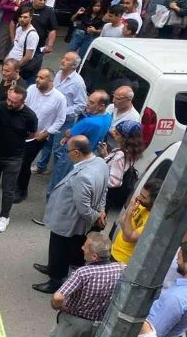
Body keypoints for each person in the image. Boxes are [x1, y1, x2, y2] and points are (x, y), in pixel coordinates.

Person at [35, 232, 123, 337]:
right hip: (96, 324)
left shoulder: (82, 273)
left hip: (72, 322)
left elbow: (58, 296)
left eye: (86, 246)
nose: (82, 248)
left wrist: (59, 306)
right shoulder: (117, 269)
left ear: (95, 256)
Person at [32, 135, 109, 294]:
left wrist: (97, 216)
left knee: (59, 249)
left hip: (68, 220)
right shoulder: (100, 163)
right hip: (74, 219)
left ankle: (55, 280)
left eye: (67, 151)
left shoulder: (83, 176)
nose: (66, 154)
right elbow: (104, 190)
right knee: (63, 250)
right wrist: (101, 211)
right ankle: (53, 267)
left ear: (76, 152)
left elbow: (83, 208)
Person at [0, 85, 37, 232]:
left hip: (14, 157)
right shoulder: (0, 107)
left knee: (8, 189)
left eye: (14, 102)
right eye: (9, 100)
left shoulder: (30, 116)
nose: (9, 103)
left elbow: (32, 134)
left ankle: (4, 217)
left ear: (22, 102)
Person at [42, 82, 105, 203]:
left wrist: (67, 135)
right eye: (88, 99)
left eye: (92, 102)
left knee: (58, 181)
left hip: (71, 154)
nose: (87, 103)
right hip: (84, 157)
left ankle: (49, 208)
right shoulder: (107, 118)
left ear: (101, 106)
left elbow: (69, 133)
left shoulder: (89, 122)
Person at [15, 68, 67, 204]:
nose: (37, 79)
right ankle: (11, 182)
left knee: (24, 163)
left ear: (51, 81)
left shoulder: (59, 98)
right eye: (37, 76)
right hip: (20, 132)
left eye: (42, 78)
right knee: (13, 157)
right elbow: (23, 105)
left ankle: (21, 190)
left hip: (37, 137)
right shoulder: (31, 89)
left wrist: (46, 133)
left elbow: (60, 119)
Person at [33, 52, 87, 178]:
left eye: (67, 60)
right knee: (46, 143)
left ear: (74, 65)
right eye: (63, 57)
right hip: (51, 118)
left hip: (64, 122)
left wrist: (62, 111)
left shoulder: (78, 83)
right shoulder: (57, 75)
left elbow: (81, 105)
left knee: (58, 149)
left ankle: (58, 175)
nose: (63, 60)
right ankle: (41, 166)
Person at [147, 239, 187, 337]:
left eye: (179, 258)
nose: (177, 261)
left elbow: (154, 332)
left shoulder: (176, 298)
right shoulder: (179, 290)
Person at [109, 178, 162, 264]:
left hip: (123, 261)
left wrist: (129, 214)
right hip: (114, 250)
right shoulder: (142, 205)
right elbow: (122, 221)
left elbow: (127, 237)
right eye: (140, 194)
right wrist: (129, 211)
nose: (139, 198)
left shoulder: (152, 220)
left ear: (154, 201)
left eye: (144, 197)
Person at [12, 0, 58, 85]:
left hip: (37, 48)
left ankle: (29, 91)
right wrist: (13, 39)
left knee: (31, 71)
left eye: (45, 0)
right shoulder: (25, 7)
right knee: (15, 69)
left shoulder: (49, 11)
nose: (42, 2)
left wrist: (49, 45)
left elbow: (52, 30)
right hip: (21, 46)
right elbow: (13, 22)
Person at [98, 120, 145, 209]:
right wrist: (106, 155)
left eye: (117, 133)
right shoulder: (131, 152)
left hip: (103, 197)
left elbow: (114, 182)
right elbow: (119, 168)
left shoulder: (120, 154)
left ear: (125, 138)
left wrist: (96, 182)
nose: (113, 133)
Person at [6, 6, 38, 77]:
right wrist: (7, 59)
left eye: (25, 17)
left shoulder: (32, 35)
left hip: (18, 69)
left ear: (31, 18)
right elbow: (16, 47)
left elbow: (28, 57)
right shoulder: (19, 28)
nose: (22, 19)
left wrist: (15, 68)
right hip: (10, 65)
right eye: (20, 17)